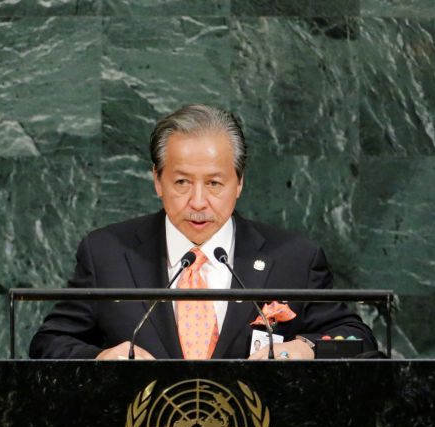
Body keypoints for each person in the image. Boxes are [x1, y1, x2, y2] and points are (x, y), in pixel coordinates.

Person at [30, 104, 376, 360]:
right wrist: (100, 358)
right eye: (181, 182)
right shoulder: (107, 253)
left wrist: (305, 348)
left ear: (239, 182)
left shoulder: (292, 258)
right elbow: (49, 342)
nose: (198, 201)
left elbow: (356, 339)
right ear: (157, 181)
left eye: (214, 183)